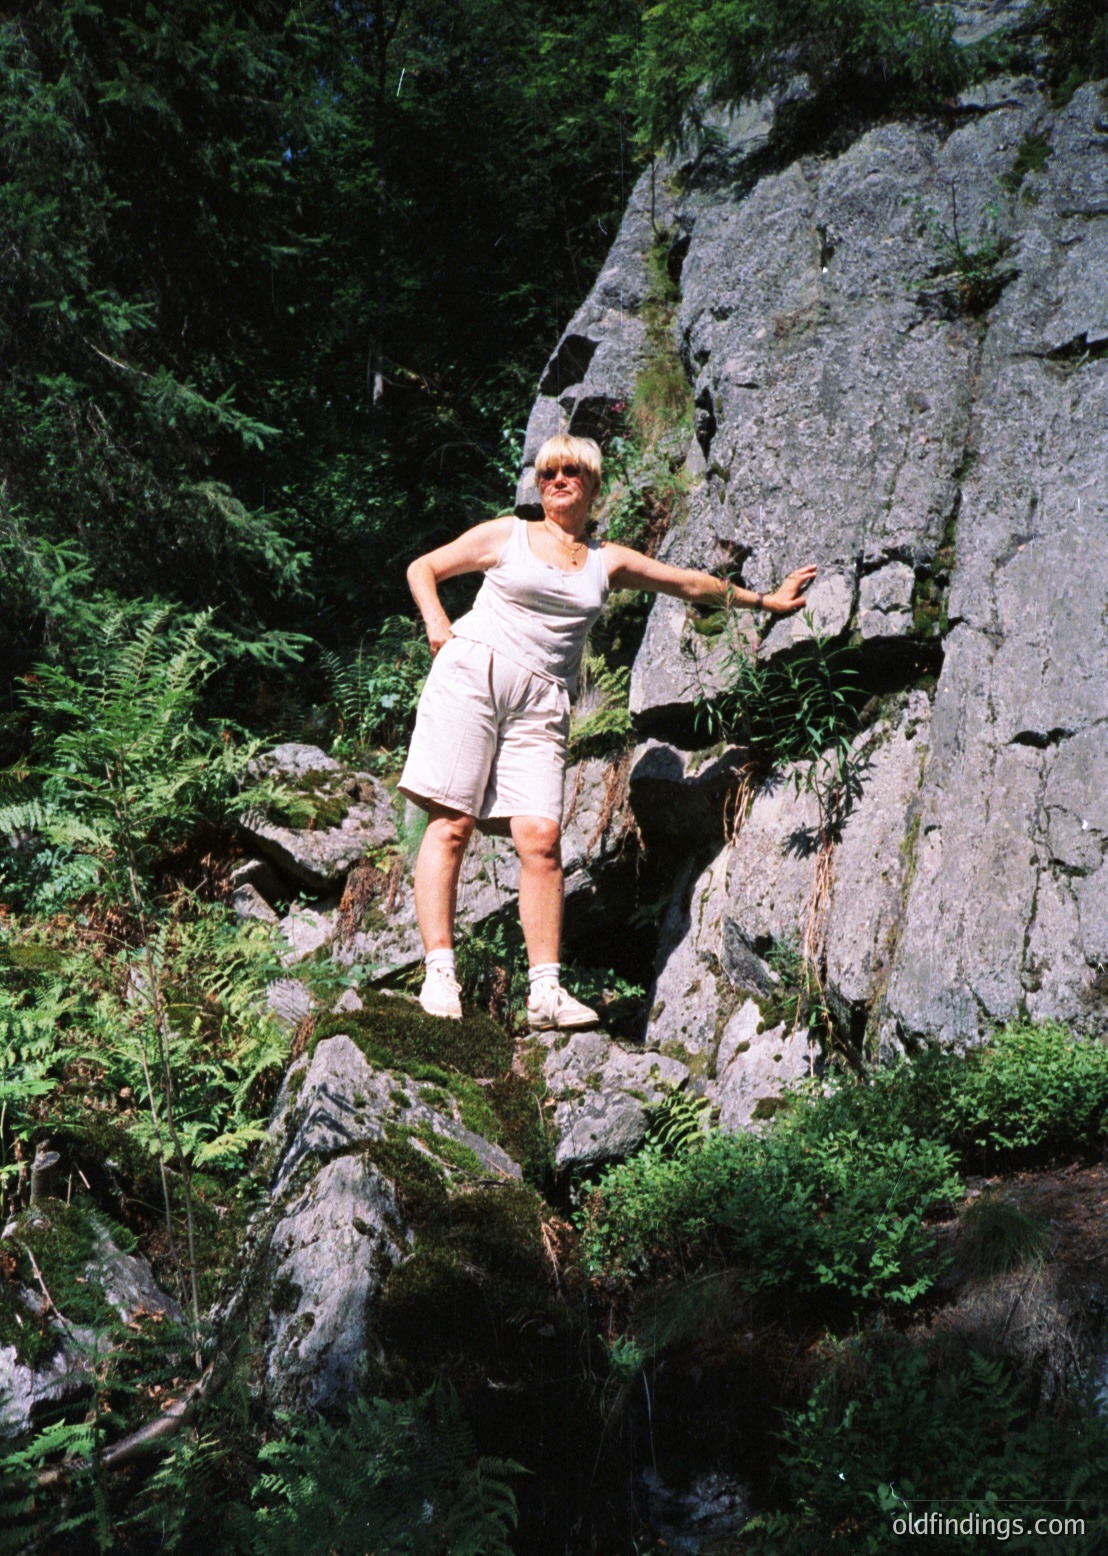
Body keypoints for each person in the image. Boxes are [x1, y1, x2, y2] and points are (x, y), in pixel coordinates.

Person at [400, 433, 816, 1028]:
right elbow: (424, 568)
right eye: (548, 472)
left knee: (542, 839)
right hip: (474, 673)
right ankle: (440, 972)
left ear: (593, 484)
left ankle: (545, 992)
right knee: (452, 823)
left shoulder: (606, 560)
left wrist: (765, 602)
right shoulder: (508, 534)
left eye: (571, 471)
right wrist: (437, 623)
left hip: (544, 699)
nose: (558, 480)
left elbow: (687, 583)